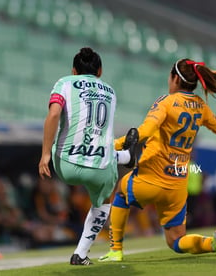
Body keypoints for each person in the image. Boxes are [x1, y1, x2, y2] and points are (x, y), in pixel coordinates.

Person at [99, 58, 216, 263]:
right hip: (176, 186)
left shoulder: (166, 102)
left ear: (174, 78)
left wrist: (115, 144)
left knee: (120, 191)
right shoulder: (200, 106)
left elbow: (146, 130)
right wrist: (203, 118)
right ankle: (213, 243)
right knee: (175, 240)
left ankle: (116, 251)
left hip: (152, 176)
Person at [38, 47, 138, 265]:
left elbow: (54, 114)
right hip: (100, 168)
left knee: (66, 138)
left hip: (65, 164)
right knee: (102, 203)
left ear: (74, 71)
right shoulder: (111, 92)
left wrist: (45, 154)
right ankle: (80, 254)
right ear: (100, 71)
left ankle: (124, 157)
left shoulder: (64, 83)